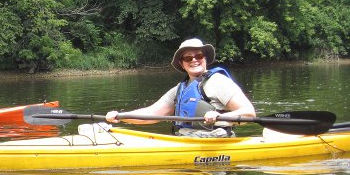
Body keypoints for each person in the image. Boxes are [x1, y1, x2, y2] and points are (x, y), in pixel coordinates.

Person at [105, 38, 256, 137]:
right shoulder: (179, 89)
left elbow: (249, 114)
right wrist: (120, 116)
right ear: (182, 64)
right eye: (188, 58)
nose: (194, 60)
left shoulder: (219, 81)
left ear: (205, 59)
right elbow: (151, 114)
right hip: (185, 141)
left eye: (199, 56)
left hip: (215, 143)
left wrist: (220, 116)